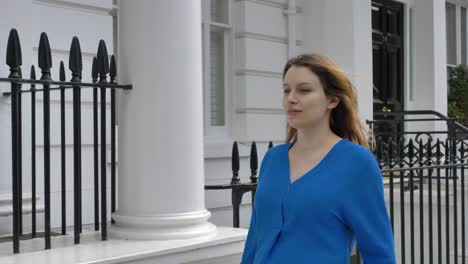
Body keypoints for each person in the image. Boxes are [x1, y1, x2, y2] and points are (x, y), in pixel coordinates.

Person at [241, 54, 396, 263]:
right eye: (287, 90)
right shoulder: (272, 159)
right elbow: (255, 239)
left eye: (304, 90)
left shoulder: (356, 164)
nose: (291, 98)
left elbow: (379, 253)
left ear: (332, 100)